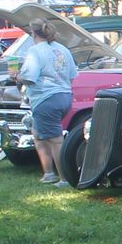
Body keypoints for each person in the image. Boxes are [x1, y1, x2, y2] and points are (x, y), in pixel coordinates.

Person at [16, 19, 78, 185]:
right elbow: (72, 75)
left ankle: (65, 178)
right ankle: (48, 173)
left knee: (55, 140)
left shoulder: (35, 51)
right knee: (38, 134)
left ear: (33, 33)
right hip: (65, 96)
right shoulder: (63, 49)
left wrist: (17, 76)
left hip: (45, 99)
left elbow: (29, 77)